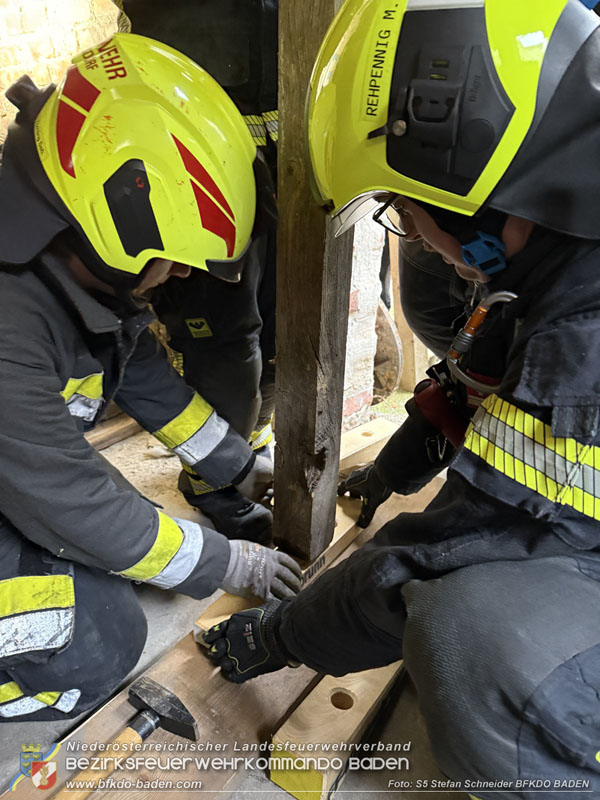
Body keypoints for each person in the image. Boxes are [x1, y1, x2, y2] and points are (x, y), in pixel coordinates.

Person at [203, 1, 600, 795]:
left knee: (474, 639)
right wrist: (388, 474)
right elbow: (472, 381)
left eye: (404, 209)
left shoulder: (581, 343)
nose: (409, 234)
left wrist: (283, 636)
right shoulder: (563, 259)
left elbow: (446, 549)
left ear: (473, 190)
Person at [0, 33, 301, 721]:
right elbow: (73, 503)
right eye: (177, 256)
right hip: (23, 476)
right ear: (118, 218)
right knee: (91, 647)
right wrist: (227, 565)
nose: (186, 274)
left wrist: (238, 465)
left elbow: (143, 379)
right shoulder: (9, 328)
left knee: (122, 553)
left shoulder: (56, 265)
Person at [111, 0, 279, 543]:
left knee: (276, 329)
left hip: (276, 154)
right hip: (184, 163)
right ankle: (212, 481)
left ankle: (248, 446)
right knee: (222, 345)